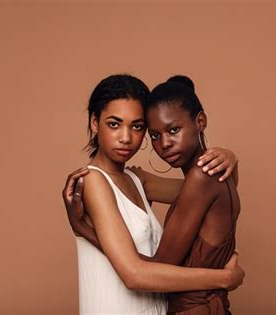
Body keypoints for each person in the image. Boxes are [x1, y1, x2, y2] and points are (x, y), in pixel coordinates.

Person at [62, 74, 244, 314]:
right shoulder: (93, 181)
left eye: (137, 126)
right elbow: (134, 274)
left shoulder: (138, 180)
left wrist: (230, 158)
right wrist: (222, 279)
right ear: (95, 123)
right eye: (114, 124)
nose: (126, 138)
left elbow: (213, 192)